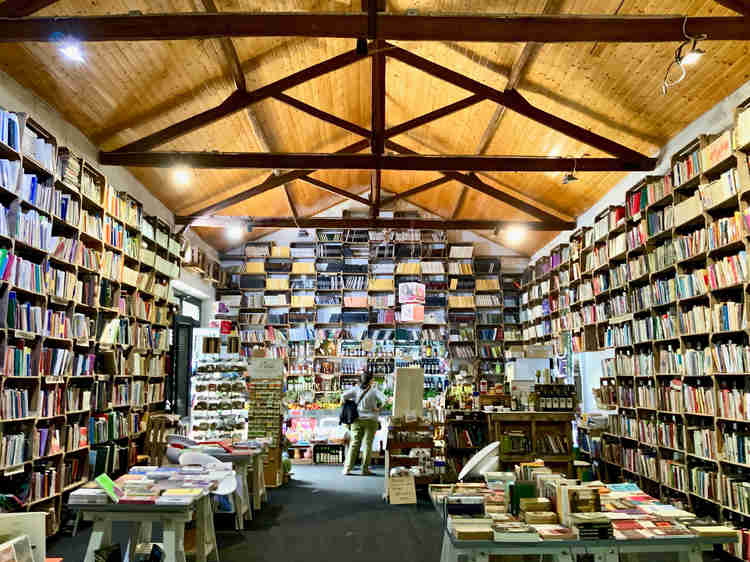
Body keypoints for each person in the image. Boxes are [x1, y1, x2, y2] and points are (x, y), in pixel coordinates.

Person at [341, 372, 384, 475]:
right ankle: (364, 469)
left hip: (357, 420)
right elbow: (385, 400)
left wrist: (350, 406)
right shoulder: (374, 391)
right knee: (367, 445)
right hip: (371, 420)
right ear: (370, 380)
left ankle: (347, 469)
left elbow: (343, 396)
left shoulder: (356, 389)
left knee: (354, 443)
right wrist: (378, 408)